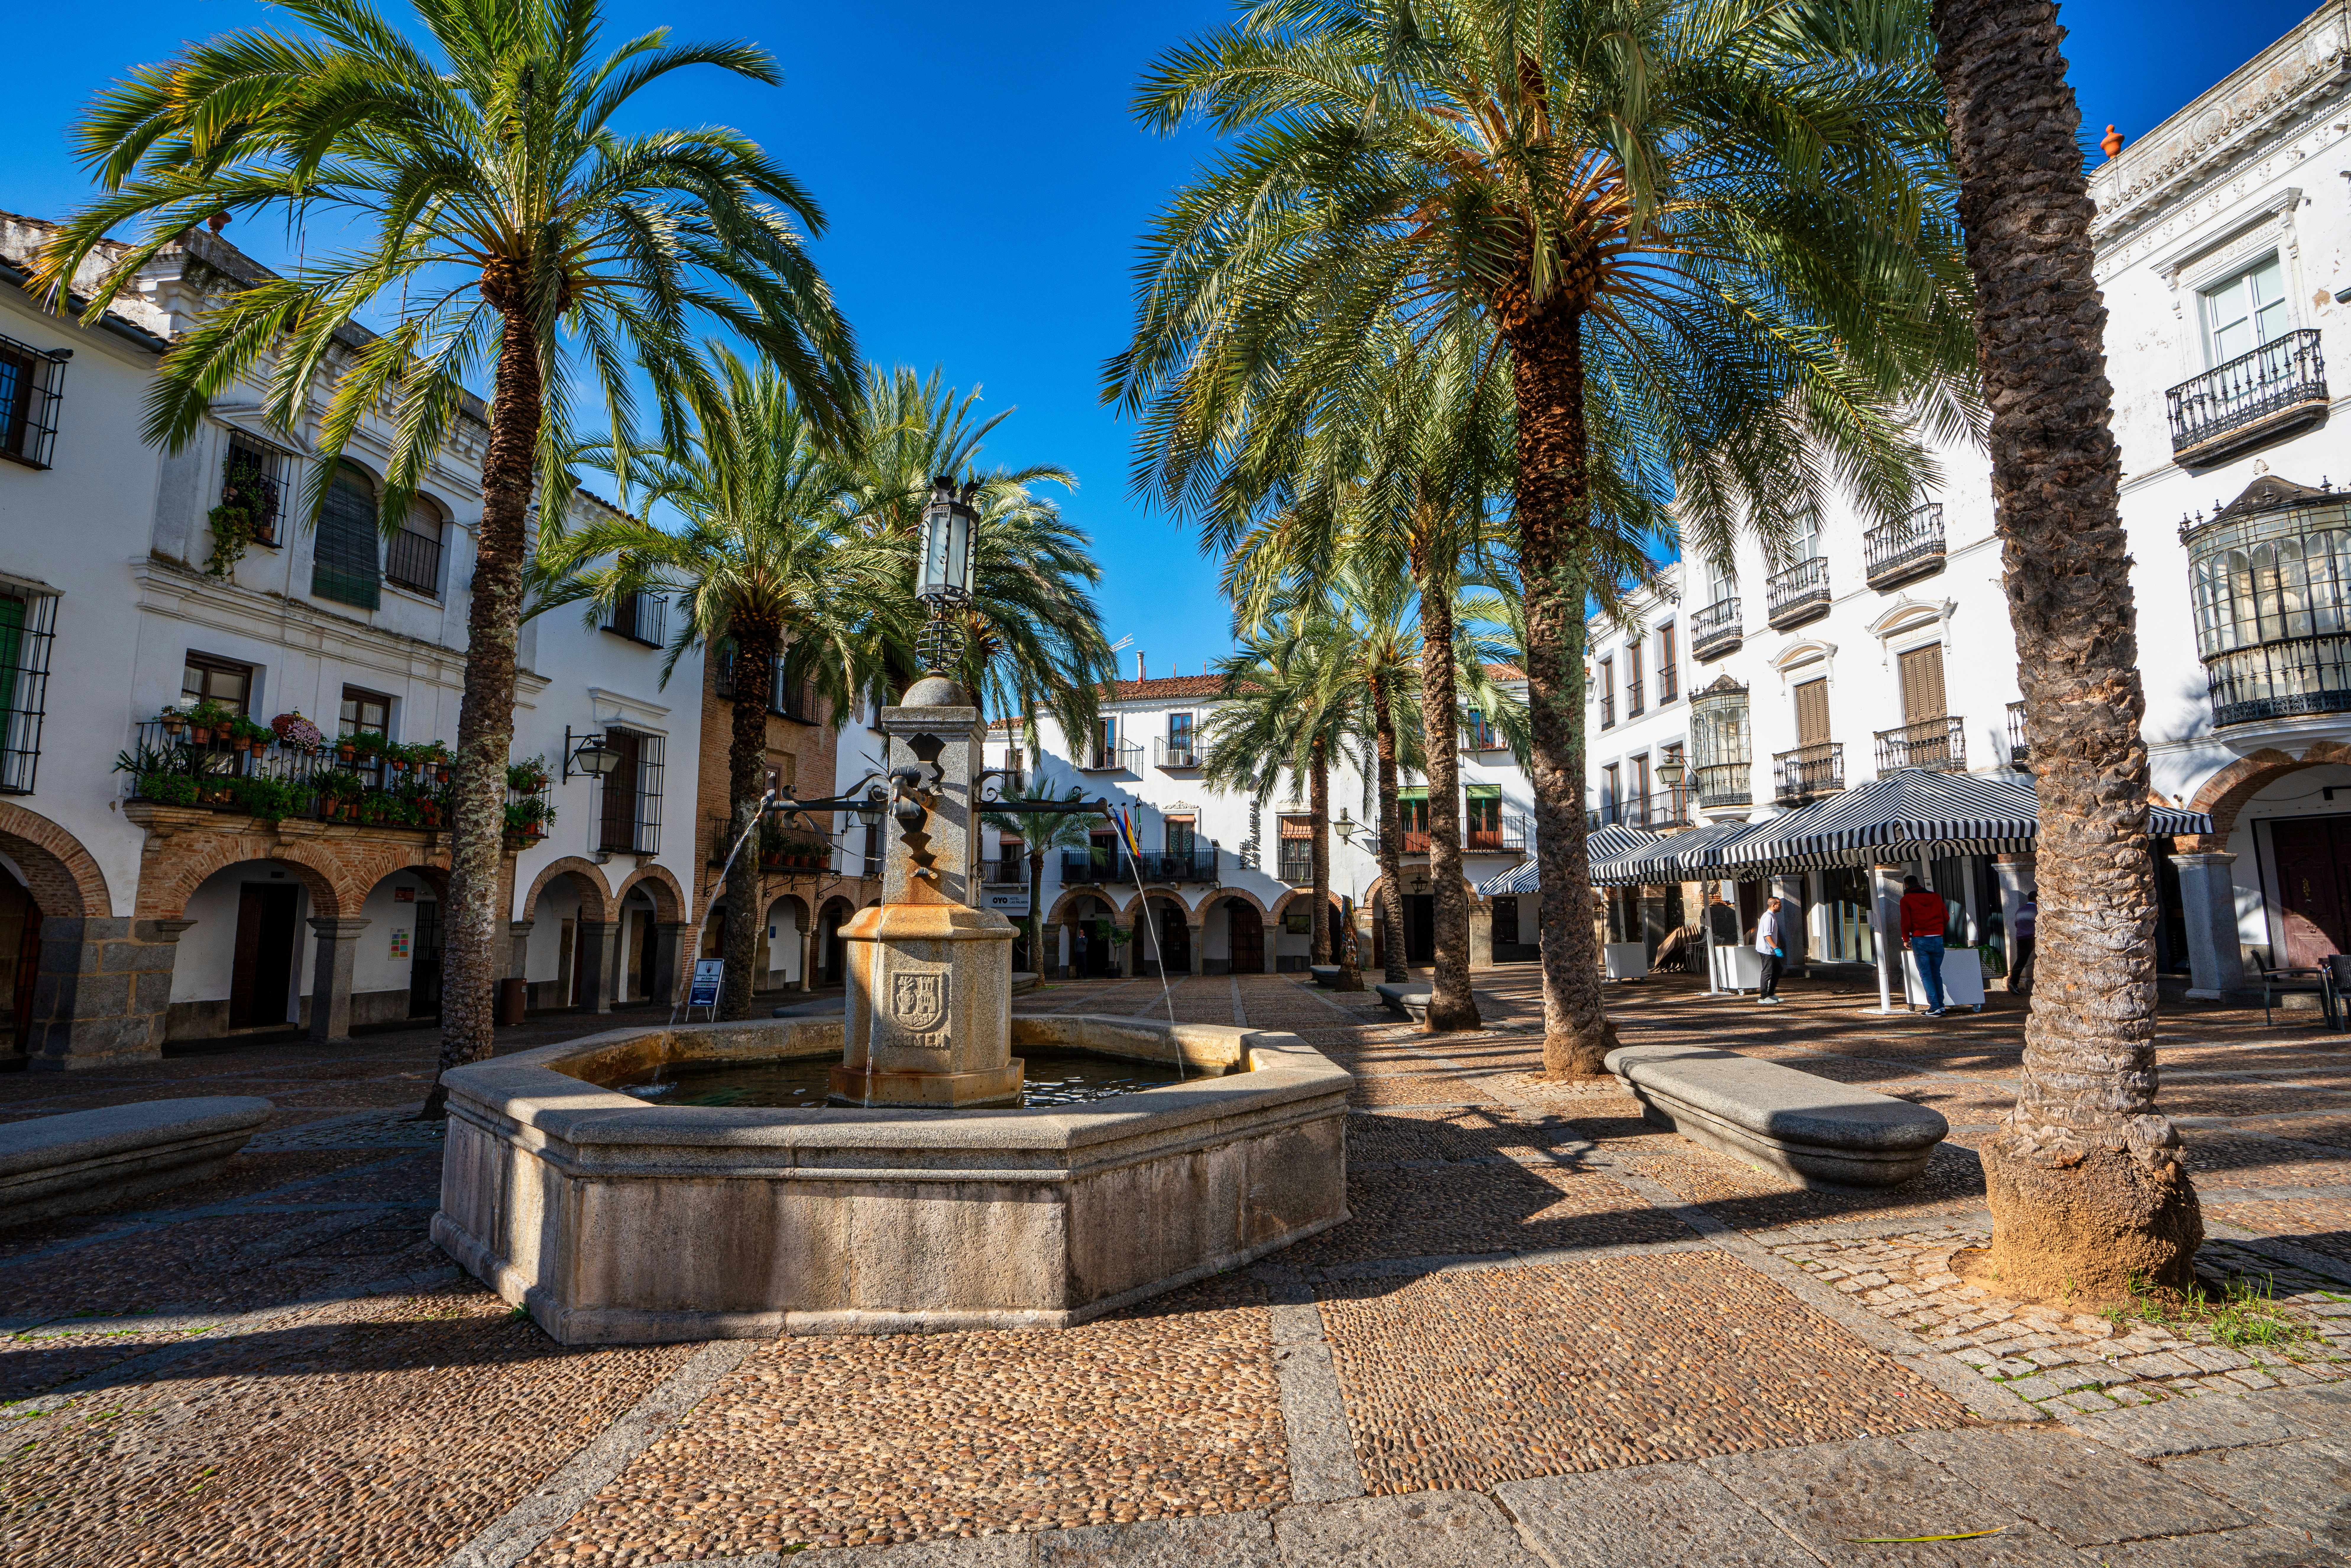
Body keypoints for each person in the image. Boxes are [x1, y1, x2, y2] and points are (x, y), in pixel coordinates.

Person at [1900, 874, 1950, 1015]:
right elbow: (1946, 917)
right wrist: (1938, 930)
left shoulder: (1906, 900)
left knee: (1926, 974)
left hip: (1920, 938)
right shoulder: (1936, 897)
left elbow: (1906, 922)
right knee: (1936, 973)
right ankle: (1941, 1005)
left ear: (1906, 886)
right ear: (1919, 883)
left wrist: (1906, 938)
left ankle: (1935, 1007)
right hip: (1937, 938)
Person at [1755, 896, 1787, 1004]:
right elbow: (1767, 935)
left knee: (1778, 969)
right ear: (1774, 906)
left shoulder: (1771, 916)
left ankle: (1771, 993)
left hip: (1770, 950)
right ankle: (1763, 997)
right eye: (1779, 904)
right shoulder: (1768, 917)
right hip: (1766, 949)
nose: (1781, 906)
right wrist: (1776, 948)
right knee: (1767, 972)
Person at [2010, 896, 2036, 997]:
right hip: (2032, 937)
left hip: (2021, 937)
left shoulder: (2020, 911)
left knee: (2021, 961)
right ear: (2036, 899)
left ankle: (2013, 982)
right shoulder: (2037, 910)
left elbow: (2017, 924)